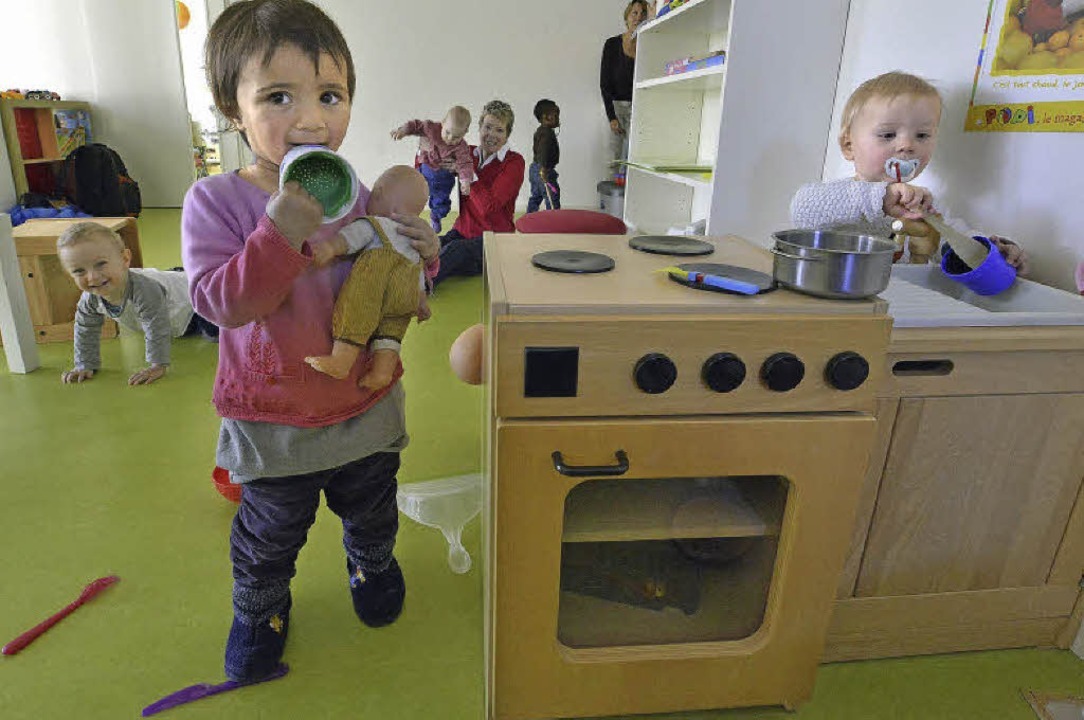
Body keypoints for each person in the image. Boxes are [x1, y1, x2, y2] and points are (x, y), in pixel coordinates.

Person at [182, 0, 441, 684]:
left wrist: (421, 254)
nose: (310, 119)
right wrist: (282, 231)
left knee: (374, 508)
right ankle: (261, 610)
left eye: (330, 95)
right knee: (268, 537)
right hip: (275, 422)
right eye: (277, 96)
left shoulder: (359, 197)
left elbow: (394, 289)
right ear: (232, 109)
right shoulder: (215, 202)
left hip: (364, 405)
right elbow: (220, 303)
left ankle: (371, 564)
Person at [790, 71, 1028, 274]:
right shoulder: (840, 199)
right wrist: (881, 199)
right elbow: (802, 208)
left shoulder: (925, 207)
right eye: (888, 135)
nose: (907, 145)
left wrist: (993, 252)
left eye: (922, 135)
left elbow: (957, 243)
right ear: (848, 146)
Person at [305, 165, 430, 389]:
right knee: (391, 330)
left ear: (379, 193)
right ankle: (382, 372)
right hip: (405, 295)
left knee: (357, 311)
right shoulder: (412, 241)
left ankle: (341, 361)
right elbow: (419, 274)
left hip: (375, 284)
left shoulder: (376, 223)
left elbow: (351, 238)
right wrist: (420, 301)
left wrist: (329, 249)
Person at [56, 221, 213, 386]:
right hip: (173, 305)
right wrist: (85, 364)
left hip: (196, 302)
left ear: (125, 259)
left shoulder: (143, 290)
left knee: (218, 330)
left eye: (101, 264)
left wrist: (157, 365)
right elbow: (85, 328)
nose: (92, 277)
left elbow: (156, 325)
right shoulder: (90, 298)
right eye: (79, 271)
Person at [432, 100, 525, 285]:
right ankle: (396, 276)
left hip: (495, 242)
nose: (491, 135)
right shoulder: (466, 153)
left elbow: (488, 208)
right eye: (488, 127)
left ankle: (413, 291)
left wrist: (467, 174)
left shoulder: (514, 162)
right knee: (432, 245)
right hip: (463, 231)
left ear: (507, 135)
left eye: (499, 130)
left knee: (454, 251)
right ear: (479, 127)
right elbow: (434, 157)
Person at [390, 106, 473, 234]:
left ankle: (436, 217)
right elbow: (416, 126)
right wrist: (403, 131)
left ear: (465, 132)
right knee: (413, 194)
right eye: (447, 132)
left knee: (440, 204)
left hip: (443, 182)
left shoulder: (461, 147)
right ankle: (405, 216)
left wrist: (465, 181)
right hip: (424, 173)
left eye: (456, 137)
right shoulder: (431, 129)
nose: (450, 139)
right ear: (443, 122)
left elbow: (465, 163)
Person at [600, 0, 649, 176]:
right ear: (627, 17)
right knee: (613, 158)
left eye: (643, 13)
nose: (638, 17)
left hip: (640, 106)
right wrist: (611, 116)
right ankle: (609, 201)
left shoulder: (649, 45)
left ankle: (627, 201)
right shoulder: (612, 44)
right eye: (634, 13)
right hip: (617, 106)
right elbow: (604, 82)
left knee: (632, 158)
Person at [526, 99, 561, 213]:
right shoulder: (547, 133)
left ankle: (529, 218)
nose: (558, 118)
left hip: (535, 169)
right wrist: (544, 170)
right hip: (544, 170)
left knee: (536, 196)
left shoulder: (540, 131)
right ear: (546, 117)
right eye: (556, 114)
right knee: (552, 197)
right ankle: (554, 222)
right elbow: (543, 151)